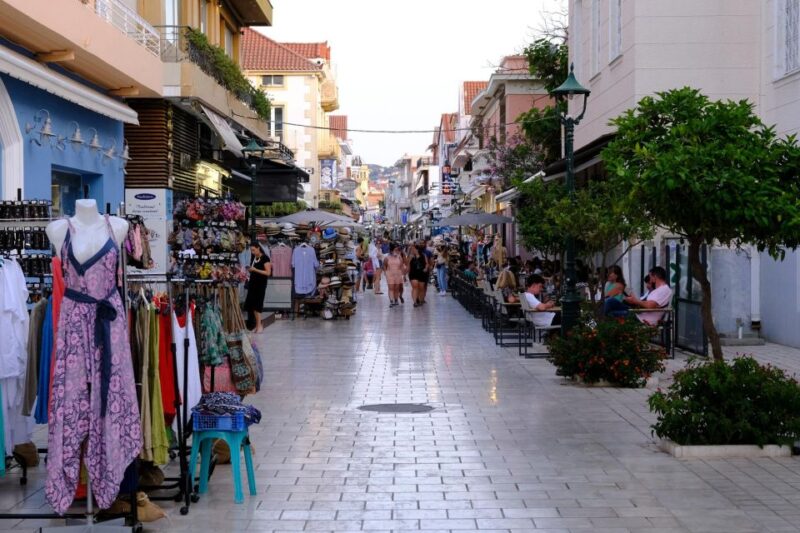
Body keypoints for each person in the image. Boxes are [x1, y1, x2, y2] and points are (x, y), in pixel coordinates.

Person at [604, 266, 672, 325]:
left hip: (642, 319)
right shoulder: (658, 290)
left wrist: (635, 301)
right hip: (639, 313)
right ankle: (594, 326)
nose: (650, 279)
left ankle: (594, 326)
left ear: (655, 277)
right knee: (610, 302)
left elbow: (650, 305)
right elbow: (648, 304)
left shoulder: (664, 289)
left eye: (650, 276)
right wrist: (634, 302)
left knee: (609, 310)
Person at [244, 242, 271, 333]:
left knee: (258, 305)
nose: (252, 252)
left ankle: (259, 325)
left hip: (260, 285)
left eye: (254, 250)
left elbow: (268, 273)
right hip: (253, 283)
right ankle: (258, 325)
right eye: (251, 250)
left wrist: (255, 270)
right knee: (252, 305)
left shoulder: (265, 258)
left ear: (258, 248)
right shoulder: (254, 258)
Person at [383, 243, 406, 307]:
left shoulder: (399, 257)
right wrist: (385, 272)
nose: (396, 251)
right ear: (391, 250)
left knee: (396, 288)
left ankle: (396, 299)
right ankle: (391, 301)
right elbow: (384, 265)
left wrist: (404, 275)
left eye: (397, 250)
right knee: (391, 288)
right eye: (395, 250)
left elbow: (401, 266)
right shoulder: (387, 257)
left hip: (398, 274)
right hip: (390, 274)